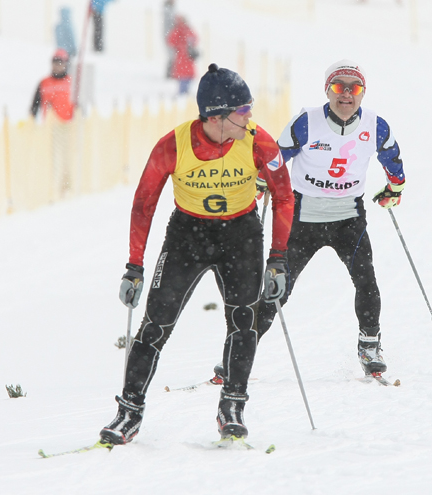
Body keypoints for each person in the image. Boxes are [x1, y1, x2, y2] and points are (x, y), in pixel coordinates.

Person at [99, 64, 295, 445]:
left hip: (241, 234)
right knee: (155, 324)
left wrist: (278, 259)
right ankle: (129, 413)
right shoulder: (173, 145)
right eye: (243, 111)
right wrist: (134, 266)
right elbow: (144, 203)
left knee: (244, 321)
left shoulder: (259, 141)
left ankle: (233, 406)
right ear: (216, 116)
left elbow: (284, 196)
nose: (250, 117)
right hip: (188, 235)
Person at [212, 59, 405, 382]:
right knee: (276, 289)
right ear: (327, 90)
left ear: (363, 93)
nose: (346, 95)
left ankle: (370, 345)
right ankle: (239, 353)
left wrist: (394, 188)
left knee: (366, 280)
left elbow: (392, 157)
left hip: (348, 218)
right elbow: (276, 156)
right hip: (303, 219)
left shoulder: (375, 125)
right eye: (338, 87)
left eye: (353, 88)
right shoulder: (307, 121)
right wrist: (261, 182)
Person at [30, 49, 75, 121]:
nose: (57, 66)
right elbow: (35, 106)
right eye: (55, 62)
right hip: (50, 127)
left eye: (60, 62)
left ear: (66, 64)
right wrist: (31, 121)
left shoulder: (72, 82)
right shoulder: (44, 82)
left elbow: (79, 106)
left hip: (70, 127)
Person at [166, 15, 199, 95]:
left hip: (181, 57)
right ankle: (184, 93)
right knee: (187, 77)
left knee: (183, 78)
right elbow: (194, 39)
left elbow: (170, 41)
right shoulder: (188, 30)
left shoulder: (177, 31)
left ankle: (183, 93)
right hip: (187, 58)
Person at [163, 0, 177, 78]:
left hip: (171, 36)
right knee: (172, 55)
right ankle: (170, 74)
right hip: (170, 36)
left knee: (173, 56)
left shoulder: (170, 9)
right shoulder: (168, 10)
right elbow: (170, 23)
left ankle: (171, 73)